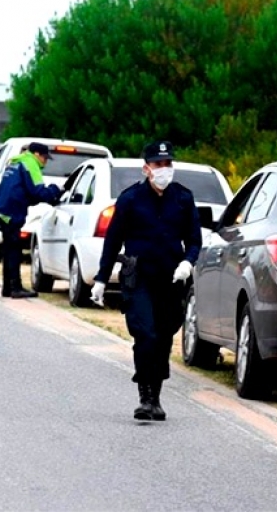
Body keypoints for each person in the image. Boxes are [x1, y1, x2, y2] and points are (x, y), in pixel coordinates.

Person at [91, 140, 201, 421]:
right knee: (146, 333)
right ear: (146, 168)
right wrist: (102, 279)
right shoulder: (130, 199)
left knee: (164, 336)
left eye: (168, 164)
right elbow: (113, 241)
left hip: (171, 277)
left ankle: (157, 396)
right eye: (158, 164)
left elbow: (194, 239)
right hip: (138, 276)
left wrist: (188, 262)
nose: (164, 169)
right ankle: (145, 396)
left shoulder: (183, 198)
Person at [0, 142, 62, 299]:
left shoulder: (17, 162)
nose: (45, 161)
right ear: (36, 154)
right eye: (44, 157)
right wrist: (55, 190)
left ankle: (8, 287)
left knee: (9, 249)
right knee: (14, 248)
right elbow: (38, 191)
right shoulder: (30, 163)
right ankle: (15, 287)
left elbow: (25, 190)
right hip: (11, 210)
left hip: (3, 208)